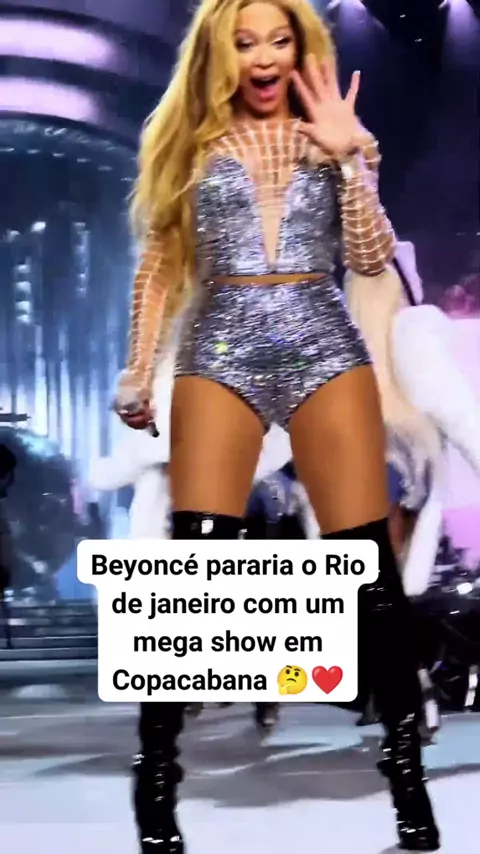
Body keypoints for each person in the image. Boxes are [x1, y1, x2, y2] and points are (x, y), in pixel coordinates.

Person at [114, 0, 440, 850]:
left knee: (368, 573)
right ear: (220, 55)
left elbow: (369, 259)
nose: (263, 57)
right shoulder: (189, 145)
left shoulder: (333, 137)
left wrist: (350, 158)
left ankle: (409, 781)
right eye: (245, 42)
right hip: (221, 344)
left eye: (279, 39)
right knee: (194, 570)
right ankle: (156, 780)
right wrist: (137, 368)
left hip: (321, 339)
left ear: (301, 48)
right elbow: (159, 265)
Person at [344, 247, 480, 734]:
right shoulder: (416, 337)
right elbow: (458, 418)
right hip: (407, 460)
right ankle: (407, 687)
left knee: (377, 587)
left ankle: (400, 688)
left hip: (368, 461)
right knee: (396, 586)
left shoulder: (347, 344)